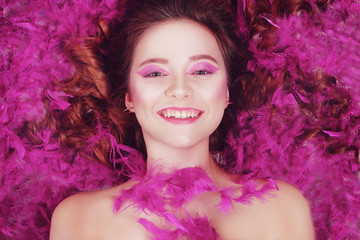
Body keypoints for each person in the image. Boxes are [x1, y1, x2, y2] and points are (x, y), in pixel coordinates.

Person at [49, 0, 315, 239]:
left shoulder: (280, 207)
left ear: (226, 92)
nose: (179, 89)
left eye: (200, 70)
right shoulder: (77, 218)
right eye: (155, 73)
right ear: (129, 96)